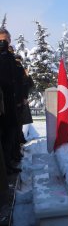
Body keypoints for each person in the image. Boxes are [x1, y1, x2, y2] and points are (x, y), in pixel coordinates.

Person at [0, 29, 20, 174]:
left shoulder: (11, 58)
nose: (3, 43)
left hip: (10, 102)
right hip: (1, 102)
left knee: (10, 132)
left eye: (6, 40)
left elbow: (17, 79)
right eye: (1, 40)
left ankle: (7, 163)